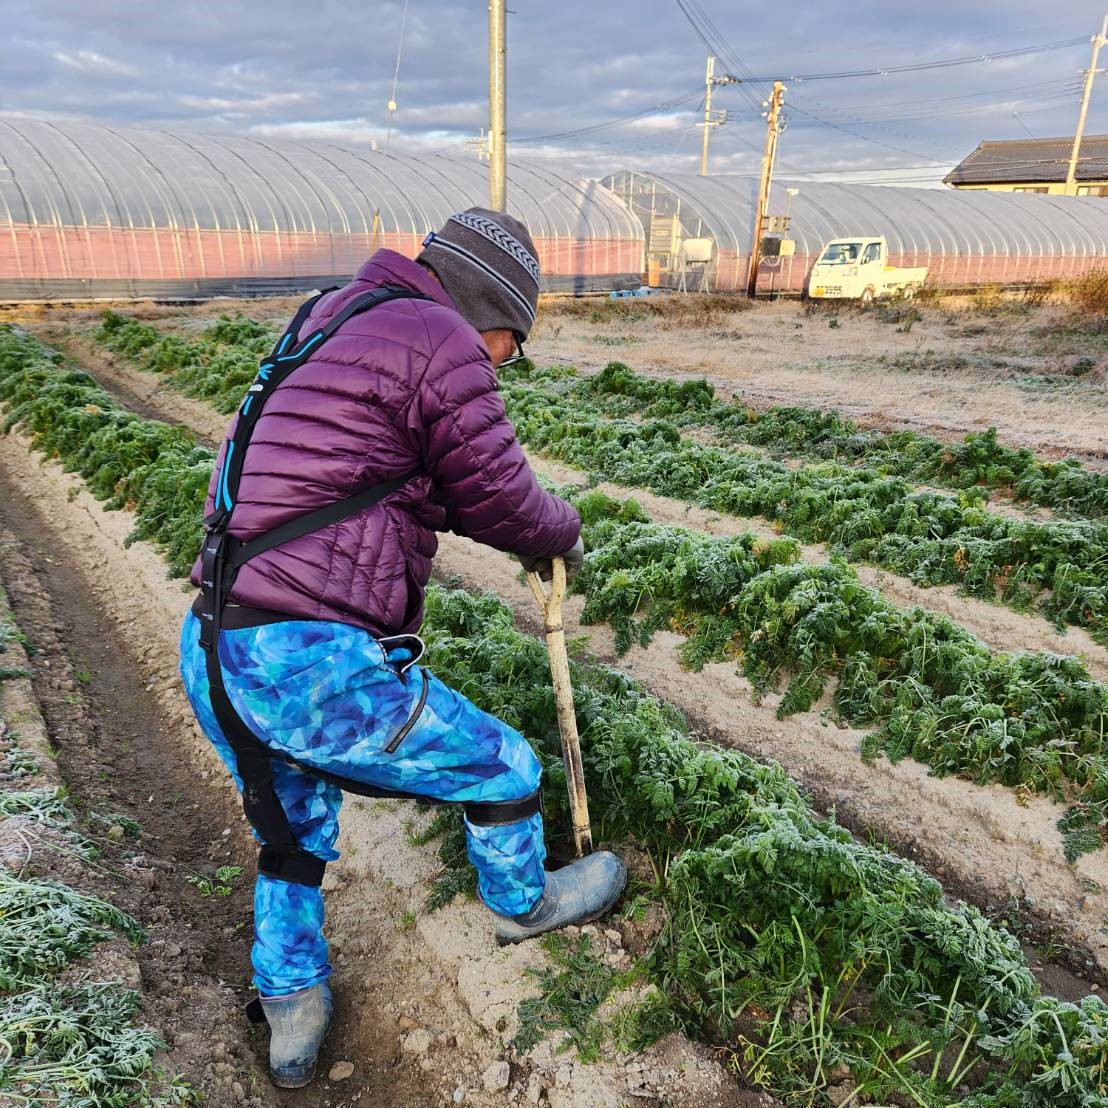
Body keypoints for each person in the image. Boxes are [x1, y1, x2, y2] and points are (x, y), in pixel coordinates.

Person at [177, 208, 627, 1088]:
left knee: (291, 828)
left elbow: (388, 472)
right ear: (488, 310)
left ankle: (292, 1009)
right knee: (500, 765)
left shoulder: (330, 313)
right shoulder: (442, 339)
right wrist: (561, 533)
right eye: (513, 342)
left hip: (214, 640)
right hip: (307, 666)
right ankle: (523, 905)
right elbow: (497, 491)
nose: (504, 361)